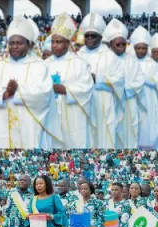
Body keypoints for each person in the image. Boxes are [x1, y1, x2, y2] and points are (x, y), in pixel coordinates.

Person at [0, 16, 60, 149]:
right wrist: (3, 94)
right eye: (11, 43)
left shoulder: (39, 67)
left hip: (28, 126)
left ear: (28, 44)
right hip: (1, 124)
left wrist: (18, 91)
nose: (15, 47)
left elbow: (44, 94)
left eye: (19, 43)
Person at [45, 13, 94, 148]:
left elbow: (87, 88)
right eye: (53, 42)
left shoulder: (79, 64)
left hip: (73, 117)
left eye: (59, 42)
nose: (54, 45)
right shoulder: (45, 64)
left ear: (67, 43)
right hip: (51, 114)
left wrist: (66, 89)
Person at [78, 13, 125, 148]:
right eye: (87, 35)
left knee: (103, 139)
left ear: (100, 37)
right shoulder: (78, 54)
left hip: (103, 103)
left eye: (94, 36)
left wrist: (97, 78)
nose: (90, 38)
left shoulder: (110, 56)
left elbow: (119, 80)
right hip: (83, 103)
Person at [104, 18, 145, 149]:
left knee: (128, 136)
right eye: (118, 44)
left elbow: (139, 81)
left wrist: (123, 91)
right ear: (110, 44)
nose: (121, 47)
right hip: (110, 102)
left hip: (128, 103)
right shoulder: (105, 60)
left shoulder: (132, 60)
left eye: (123, 44)